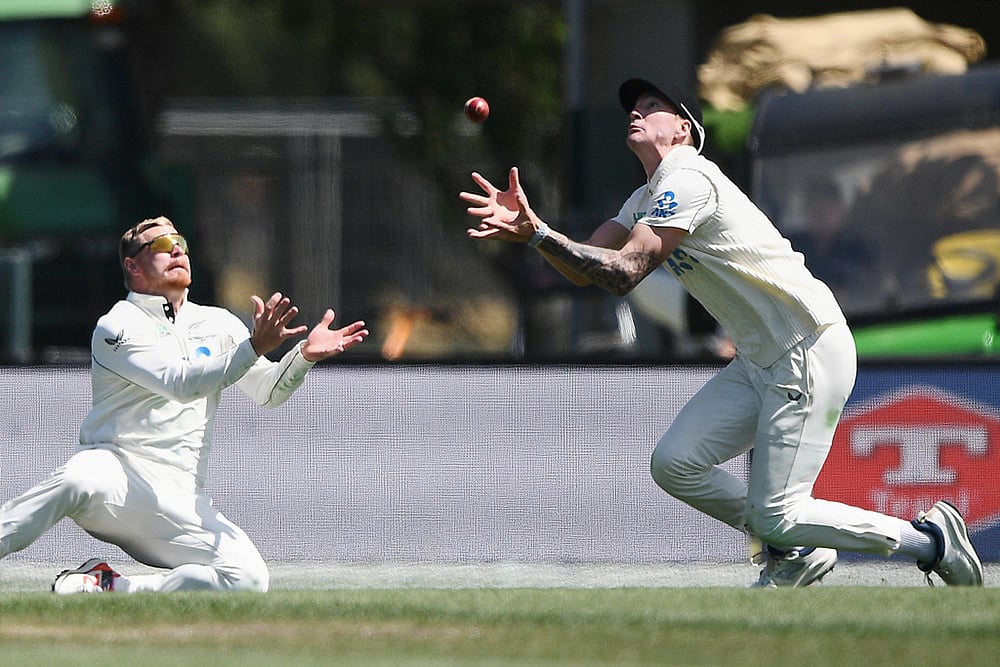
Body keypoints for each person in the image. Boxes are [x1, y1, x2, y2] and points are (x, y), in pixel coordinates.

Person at [459, 78, 983, 587]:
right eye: (633, 106)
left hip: (806, 348)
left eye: (651, 104)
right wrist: (536, 236)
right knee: (675, 464)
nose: (635, 112)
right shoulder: (644, 198)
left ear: (684, 129)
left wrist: (542, 234)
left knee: (779, 512)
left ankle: (930, 540)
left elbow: (623, 273)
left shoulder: (688, 178)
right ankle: (792, 550)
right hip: (761, 361)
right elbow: (588, 265)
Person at [0, 216, 369, 593]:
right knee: (80, 476)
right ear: (133, 265)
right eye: (160, 246)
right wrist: (254, 346)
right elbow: (180, 383)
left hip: (177, 498)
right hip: (115, 478)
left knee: (249, 580)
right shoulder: (118, 325)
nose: (176, 250)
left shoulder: (219, 323)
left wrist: (303, 355)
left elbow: (268, 391)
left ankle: (109, 585)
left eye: (180, 243)